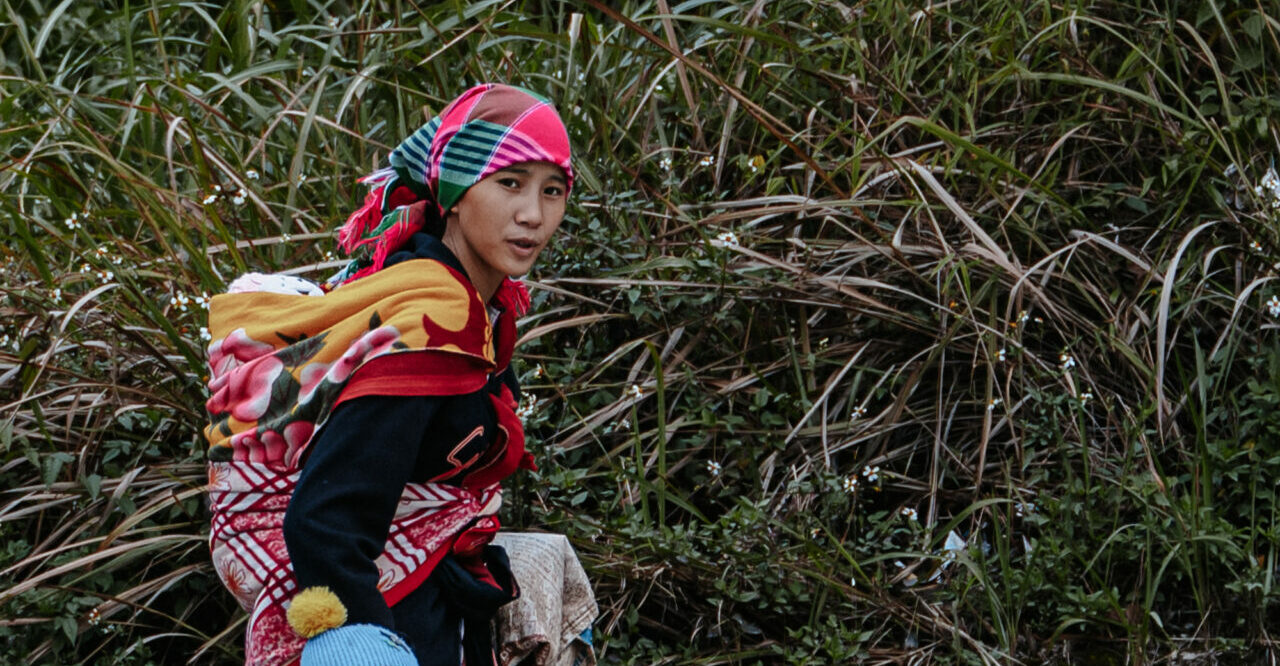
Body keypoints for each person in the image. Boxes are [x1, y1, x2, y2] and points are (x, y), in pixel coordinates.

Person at [201, 83, 573, 666]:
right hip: (389, 611)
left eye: (553, 191)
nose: (532, 214)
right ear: (455, 191)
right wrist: (362, 641)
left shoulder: (471, 300)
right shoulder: (435, 316)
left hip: (427, 587)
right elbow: (325, 517)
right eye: (509, 183)